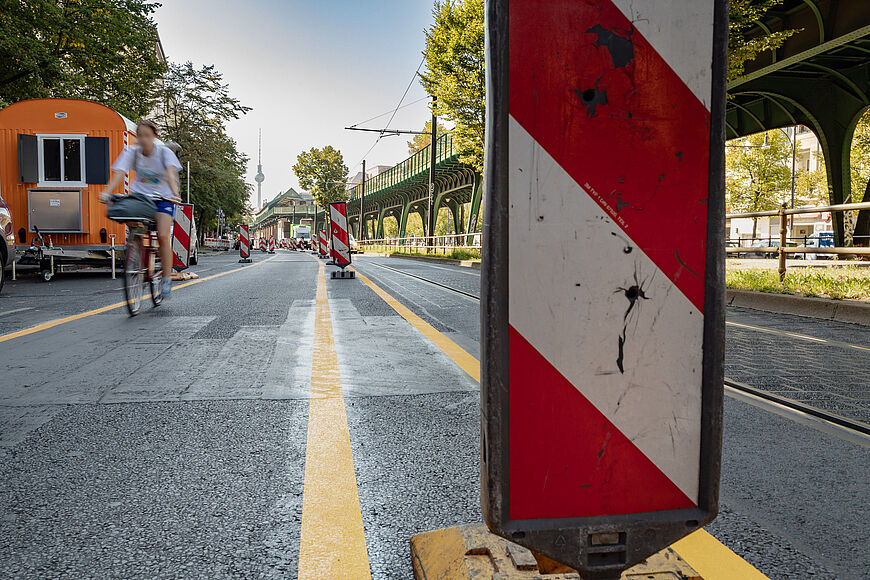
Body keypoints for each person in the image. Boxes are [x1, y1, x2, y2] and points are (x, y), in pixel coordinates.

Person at [101, 120, 182, 298]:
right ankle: (136, 251)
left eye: (147, 135)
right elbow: (119, 173)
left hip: (163, 198)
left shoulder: (164, 153)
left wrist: (175, 193)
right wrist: (106, 192)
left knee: (162, 236)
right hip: (141, 198)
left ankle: (166, 279)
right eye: (140, 135)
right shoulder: (132, 152)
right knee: (130, 221)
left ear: (154, 137)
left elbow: (170, 175)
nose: (143, 139)